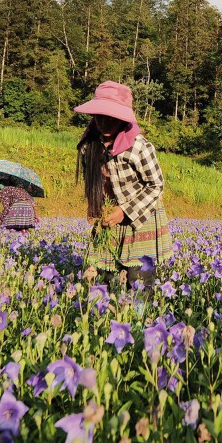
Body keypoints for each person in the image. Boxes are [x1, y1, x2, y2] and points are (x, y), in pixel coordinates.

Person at [74, 81, 172, 294]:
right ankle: (107, 320)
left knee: (138, 280)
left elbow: (156, 185)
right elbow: (93, 183)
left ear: (123, 118)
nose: (104, 122)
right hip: (109, 217)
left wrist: (125, 210)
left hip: (140, 217)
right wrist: (95, 207)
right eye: (99, 116)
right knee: (103, 276)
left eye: (111, 117)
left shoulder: (139, 147)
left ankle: (139, 323)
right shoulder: (88, 147)